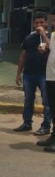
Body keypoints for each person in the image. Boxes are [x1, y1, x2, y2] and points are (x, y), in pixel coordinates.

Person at [13, 12, 51, 135]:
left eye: (41, 22)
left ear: (46, 23)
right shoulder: (28, 38)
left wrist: (44, 35)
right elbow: (23, 56)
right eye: (36, 23)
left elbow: (50, 47)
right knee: (28, 99)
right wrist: (19, 73)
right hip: (29, 73)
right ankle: (27, 122)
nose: (39, 25)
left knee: (47, 101)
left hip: (45, 74)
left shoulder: (51, 37)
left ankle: (46, 126)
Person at [37, 8, 55, 150]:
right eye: (53, 20)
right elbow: (50, 49)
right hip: (50, 76)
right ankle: (53, 136)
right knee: (52, 107)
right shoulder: (54, 35)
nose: (54, 23)